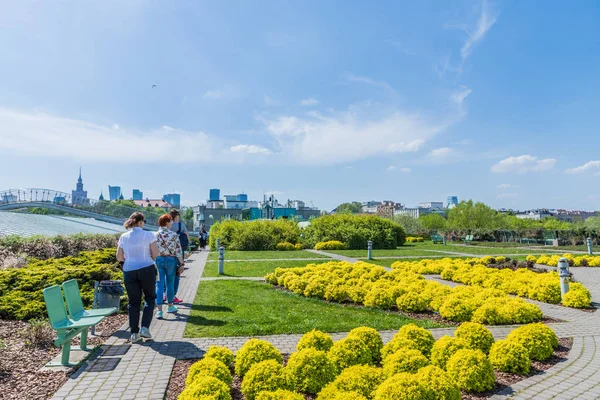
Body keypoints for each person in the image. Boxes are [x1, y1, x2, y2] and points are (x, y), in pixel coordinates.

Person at [116, 212, 159, 343]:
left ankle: (134, 333)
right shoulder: (148, 234)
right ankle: (145, 328)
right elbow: (155, 253)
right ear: (140, 222)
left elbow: (118, 256)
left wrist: (129, 259)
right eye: (144, 221)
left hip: (129, 270)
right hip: (147, 268)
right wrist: (147, 259)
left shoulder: (124, 236)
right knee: (150, 298)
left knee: (133, 302)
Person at [154, 214, 185, 318]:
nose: (172, 223)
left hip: (158, 259)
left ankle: (159, 311)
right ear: (166, 222)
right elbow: (178, 251)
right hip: (171, 260)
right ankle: (170, 306)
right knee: (170, 284)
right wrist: (181, 263)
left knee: (159, 284)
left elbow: (151, 250)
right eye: (171, 221)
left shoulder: (154, 234)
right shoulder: (174, 235)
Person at [169, 209, 189, 303]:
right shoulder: (181, 225)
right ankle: (173, 295)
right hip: (179, 252)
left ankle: (166, 294)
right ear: (177, 216)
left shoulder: (167, 225)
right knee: (178, 273)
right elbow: (187, 236)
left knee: (167, 274)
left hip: (168, 252)